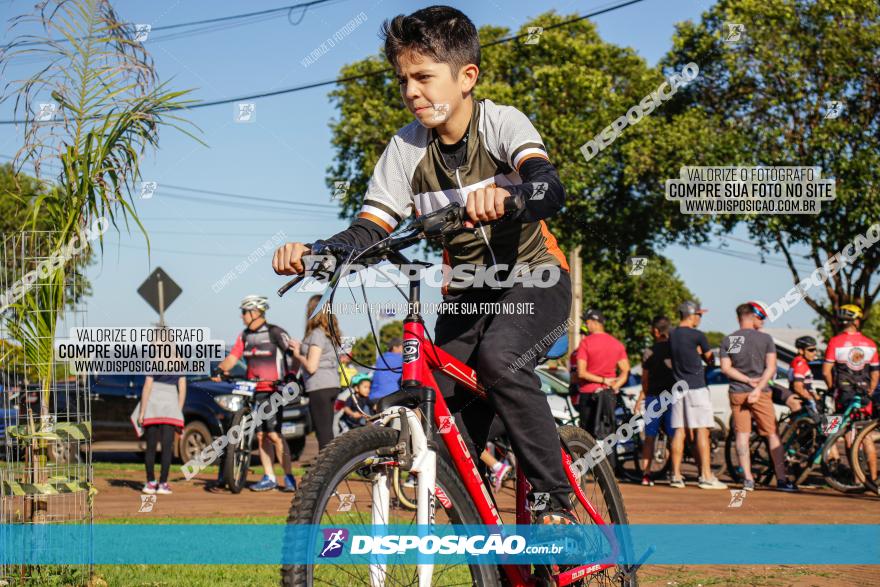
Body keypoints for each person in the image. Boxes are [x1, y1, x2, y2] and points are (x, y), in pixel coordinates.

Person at [274, 5, 577, 524]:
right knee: (445, 412)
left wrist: (511, 198)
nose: (411, 91)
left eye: (423, 77)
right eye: (402, 80)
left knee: (502, 359)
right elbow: (370, 228)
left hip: (536, 277)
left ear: (466, 77)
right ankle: (495, 541)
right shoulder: (404, 149)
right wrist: (318, 254)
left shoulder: (502, 123)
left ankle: (554, 499)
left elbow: (550, 187)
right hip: (466, 294)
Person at [214, 295, 298, 492]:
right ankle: (269, 476)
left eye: (244, 312)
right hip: (255, 391)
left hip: (274, 390)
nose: (242, 316)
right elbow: (233, 357)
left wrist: (292, 375)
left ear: (255, 313)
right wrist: (219, 370)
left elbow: (295, 356)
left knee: (274, 435)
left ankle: (288, 477)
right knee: (260, 436)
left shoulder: (275, 332)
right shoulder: (244, 336)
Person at [720, 302, 796, 492]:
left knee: (742, 435)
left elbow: (726, 368)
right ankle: (781, 479)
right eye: (759, 317)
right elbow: (771, 368)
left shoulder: (731, 340)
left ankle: (748, 479)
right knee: (772, 434)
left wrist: (746, 380)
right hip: (761, 393)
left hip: (737, 392)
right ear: (751, 317)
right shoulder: (765, 339)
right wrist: (757, 387)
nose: (761, 321)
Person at [668, 301, 726, 489]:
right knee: (702, 429)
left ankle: (676, 475)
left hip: (678, 387)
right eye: (699, 315)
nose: (700, 318)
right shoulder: (697, 335)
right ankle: (706, 476)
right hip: (696, 387)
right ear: (692, 315)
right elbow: (710, 360)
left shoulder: (673, 334)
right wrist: (702, 354)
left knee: (679, 430)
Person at [822, 304, 878, 482]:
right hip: (864, 394)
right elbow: (876, 372)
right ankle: (873, 479)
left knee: (848, 434)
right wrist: (870, 390)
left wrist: (832, 387)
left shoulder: (835, 342)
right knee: (866, 436)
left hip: (844, 394)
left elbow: (825, 371)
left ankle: (856, 478)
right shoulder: (870, 344)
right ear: (857, 320)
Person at [290, 294, 343, 451]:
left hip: (319, 386)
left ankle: (327, 471)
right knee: (327, 429)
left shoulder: (316, 334)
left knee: (323, 432)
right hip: (332, 383)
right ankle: (332, 469)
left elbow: (312, 366)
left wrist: (298, 353)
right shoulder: (329, 334)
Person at [573, 309, 629, 444]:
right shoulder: (616, 343)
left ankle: (590, 464)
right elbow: (625, 370)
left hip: (589, 394)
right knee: (608, 433)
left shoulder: (585, 343)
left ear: (595, 322)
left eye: (587, 322)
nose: (586, 325)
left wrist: (602, 380)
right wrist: (614, 385)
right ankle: (610, 464)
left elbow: (581, 372)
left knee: (587, 437)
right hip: (609, 395)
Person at [635, 316, 677, 486]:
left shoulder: (649, 352)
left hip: (653, 397)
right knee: (675, 437)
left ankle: (646, 473)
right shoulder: (675, 351)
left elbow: (644, 380)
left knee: (650, 436)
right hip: (673, 397)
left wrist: (642, 396)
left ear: (656, 331)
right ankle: (675, 473)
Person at [138, 369, 186, 495]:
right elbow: (182, 388)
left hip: (153, 402)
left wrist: (142, 412)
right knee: (167, 447)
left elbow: (147, 386)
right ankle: (163, 484)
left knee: (151, 447)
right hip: (170, 403)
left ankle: (150, 483)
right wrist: (178, 410)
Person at [786, 335, 821, 414]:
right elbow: (798, 387)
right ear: (801, 351)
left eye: (815, 350)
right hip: (803, 402)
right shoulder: (801, 364)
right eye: (811, 350)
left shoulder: (797, 361)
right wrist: (811, 399)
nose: (814, 353)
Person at [369, 338, 404, 403]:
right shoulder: (401, 359)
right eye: (402, 347)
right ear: (394, 347)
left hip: (374, 397)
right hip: (391, 398)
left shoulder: (381, 358)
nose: (404, 350)